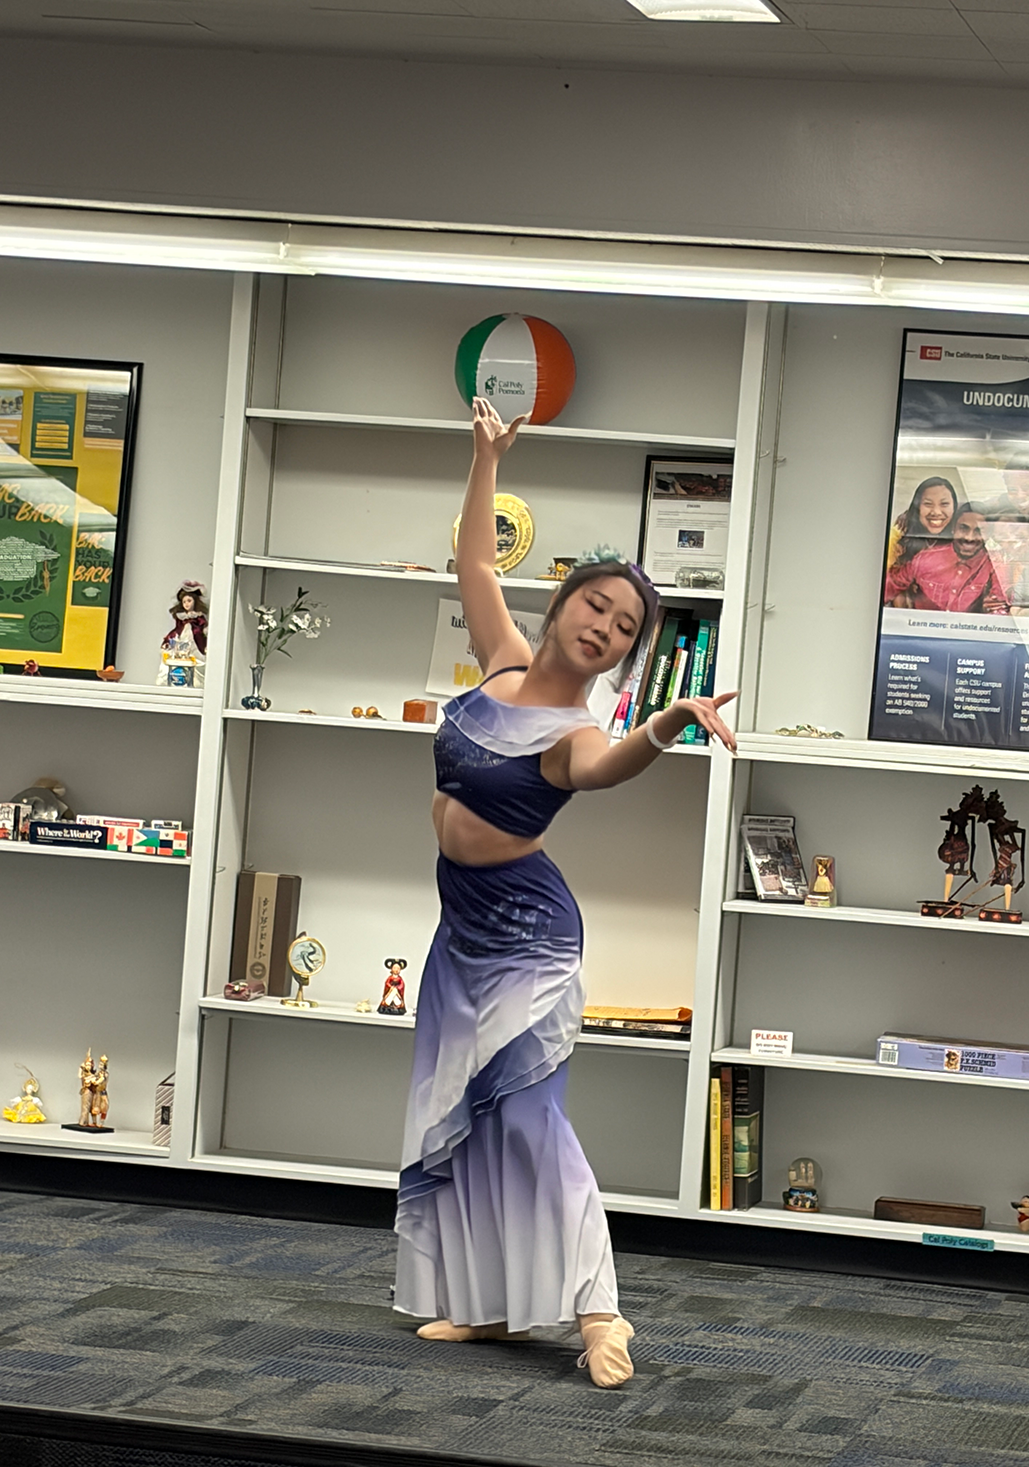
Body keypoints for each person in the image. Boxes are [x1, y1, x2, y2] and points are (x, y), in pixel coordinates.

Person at [394, 398, 737, 1389]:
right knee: (462, 1112)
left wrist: (664, 722)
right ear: (564, 601)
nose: (605, 629)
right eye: (598, 606)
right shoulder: (500, 661)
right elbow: (473, 561)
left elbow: (609, 766)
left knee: (528, 1120)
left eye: (625, 629)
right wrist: (483, 458)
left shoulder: (578, 734)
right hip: (461, 931)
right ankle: (488, 1305)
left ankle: (598, 1312)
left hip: (528, 940)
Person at [884, 503, 1008, 614]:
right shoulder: (925, 559)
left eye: (979, 531)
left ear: (988, 535)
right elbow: (885, 588)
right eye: (963, 528)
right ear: (953, 529)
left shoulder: (994, 565)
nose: (969, 538)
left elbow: (998, 609)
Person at [886, 477, 958, 569]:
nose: (936, 512)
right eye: (928, 504)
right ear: (917, 507)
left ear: (954, 506)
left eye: (944, 504)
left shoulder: (961, 533)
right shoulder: (899, 534)